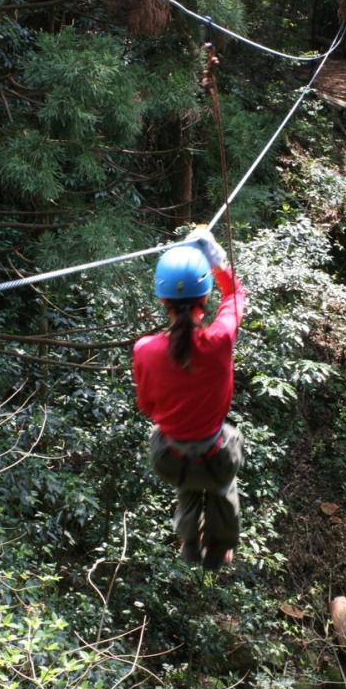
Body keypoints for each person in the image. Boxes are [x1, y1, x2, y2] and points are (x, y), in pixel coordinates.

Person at [133, 228, 245, 570]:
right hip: (215, 457)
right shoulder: (220, 339)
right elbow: (236, 297)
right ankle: (221, 545)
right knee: (223, 474)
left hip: (171, 460)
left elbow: (147, 407)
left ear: (162, 300)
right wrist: (217, 260)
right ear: (204, 298)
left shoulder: (145, 350)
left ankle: (189, 537)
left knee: (188, 470)